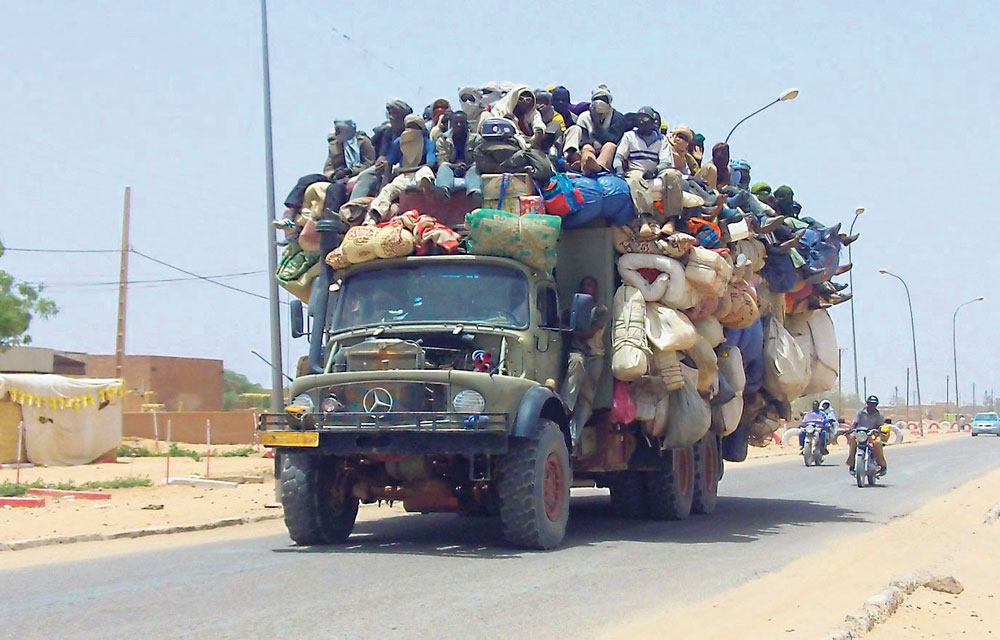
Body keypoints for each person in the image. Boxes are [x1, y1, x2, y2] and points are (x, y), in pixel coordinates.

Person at [560, 276, 609, 433]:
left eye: (590, 285)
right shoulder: (572, 310)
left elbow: (589, 332)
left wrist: (570, 329)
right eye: (585, 285)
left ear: (595, 290)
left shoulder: (600, 310)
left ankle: (574, 436)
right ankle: (565, 407)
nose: (587, 287)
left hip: (595, 356)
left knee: (586, 399)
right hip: (578, 352)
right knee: (576, 363)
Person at [368, 114, 437, 222]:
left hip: (419, 172)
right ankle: (375, 216)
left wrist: (403, 170)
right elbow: (389, 163)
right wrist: (385, 183)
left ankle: (426, 186)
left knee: (425, 172)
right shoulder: (399, 142)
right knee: (388, 190)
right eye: (408, 127)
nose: (410, 130)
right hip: (404, 177)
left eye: (414, 127)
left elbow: (431, 164)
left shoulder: (428, 143)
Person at [613, 106, 673, 217]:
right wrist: (619, 170)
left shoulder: (662, 139)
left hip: (655, 172)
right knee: (635, 178)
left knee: (673, 175)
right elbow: (618, 157)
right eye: (639, 118)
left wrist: (655, 171)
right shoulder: (629, 136)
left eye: (645, 118)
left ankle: (671, 220)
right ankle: (645, 217)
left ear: (652, 121)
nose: (641, 121)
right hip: (636, 170)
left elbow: (666, 162)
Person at [434, 111, 483, 203]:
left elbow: (479, 158)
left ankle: (475, 193)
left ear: (467, 124)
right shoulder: (443, 139)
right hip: (451, 167)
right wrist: (456, 166)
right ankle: (444, 190)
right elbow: (441, 159)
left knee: (475, 167)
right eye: (456, 122)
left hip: (469, 167)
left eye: (462, 122)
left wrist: (465, 165)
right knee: (443, 166)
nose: (459, 125)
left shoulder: (476, 139)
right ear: (451, 124)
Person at [847, 395, 890, 476]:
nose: (871, 405)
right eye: (870, 403)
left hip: (873, 434)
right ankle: (851, 465)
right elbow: (855, 423)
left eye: (874, 404)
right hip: (861, 434)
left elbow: (881, 425)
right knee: (852, 441)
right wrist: (850, 430)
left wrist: (880, 431)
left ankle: (883, 466)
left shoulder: (879, 414)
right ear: (867, 403)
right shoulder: (860, 412)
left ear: (876, 405)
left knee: (877, 443)